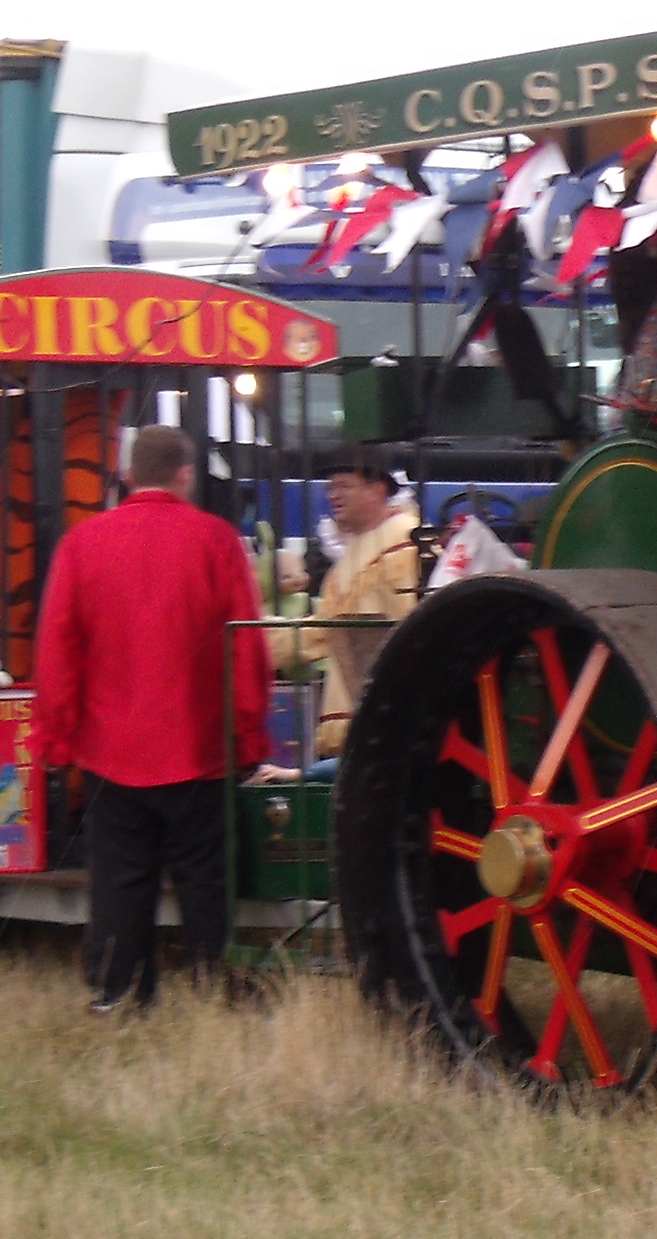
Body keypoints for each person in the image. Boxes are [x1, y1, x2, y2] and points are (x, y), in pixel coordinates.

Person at [34, 424, 268, 1012]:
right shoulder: (217, 542)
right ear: (186, 476)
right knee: (204, 879)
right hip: (199, 746)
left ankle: (118, 990)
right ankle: (214, 986)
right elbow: (248, 648)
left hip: (112, 748)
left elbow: (57, 651)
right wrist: (249, 736)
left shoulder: (82, 545)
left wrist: (57, 741)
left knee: (119, 877)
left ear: (127, 475)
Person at [276, 450, 421, 763]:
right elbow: (323, 632)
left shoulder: (404, 541)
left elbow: (411, 627)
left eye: (344, 486)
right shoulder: (354, 555)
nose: (333, 495)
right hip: (360, 729)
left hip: (385, 724)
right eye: (330, 488)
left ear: (378, 489)